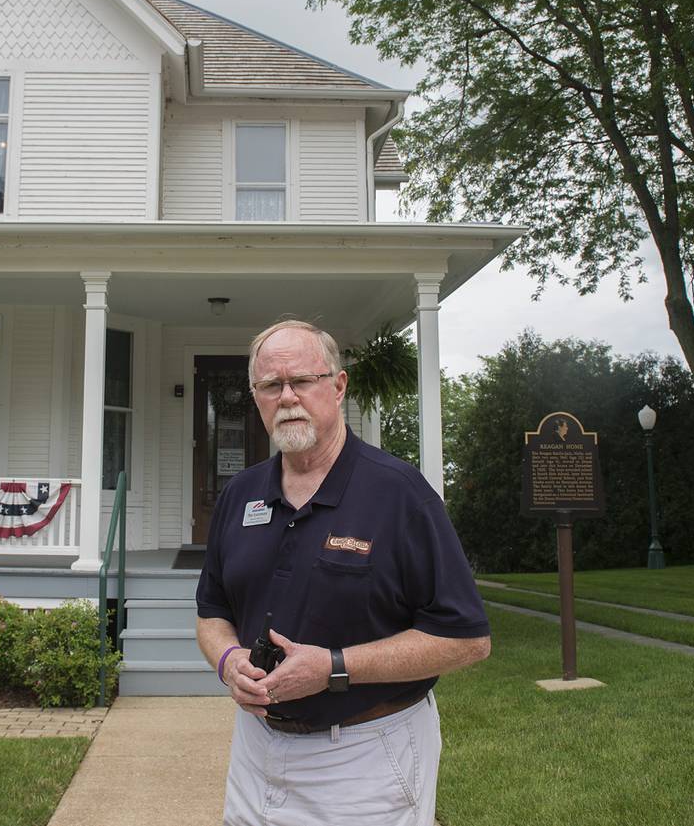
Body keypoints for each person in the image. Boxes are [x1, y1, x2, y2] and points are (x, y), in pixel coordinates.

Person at [195, 319, 491, 826]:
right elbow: (212, 612)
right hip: (255, 751)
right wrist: (228, 662)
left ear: (338, 385)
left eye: (302, 380)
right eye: (270, 385)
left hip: (364, 757)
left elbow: (467, 640)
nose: (287, 397)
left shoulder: (400, 495)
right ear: (256, 397)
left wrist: (334, 667)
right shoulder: (240, 495)